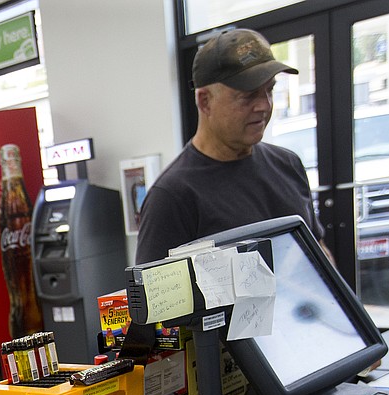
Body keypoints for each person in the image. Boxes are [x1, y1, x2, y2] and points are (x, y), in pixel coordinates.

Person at [135, 28, 324, 265]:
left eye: (270, 90)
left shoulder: (288, 164)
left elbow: (318, 251)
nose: (264, 106)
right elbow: (154, 299)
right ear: (205, 101)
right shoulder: (173, 197)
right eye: (249, 96)